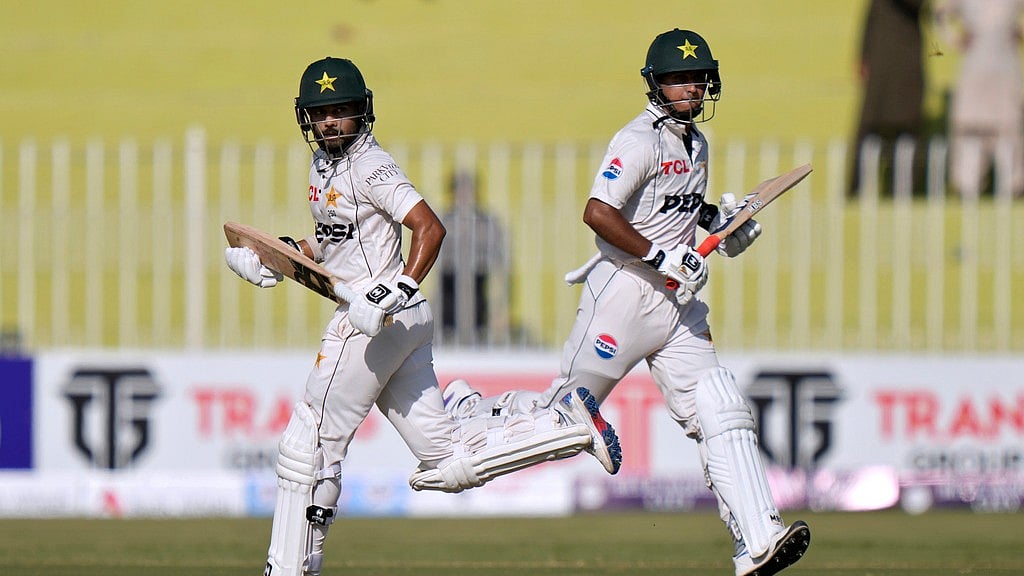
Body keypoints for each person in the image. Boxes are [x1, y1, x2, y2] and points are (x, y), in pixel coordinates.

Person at [224, 56, 622, 576]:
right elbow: (331, 248)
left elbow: (429, 228)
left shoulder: (371, 165)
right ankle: (562, 422)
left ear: (361, 112)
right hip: (398, 321)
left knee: (310, 441)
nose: (329, 122)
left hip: (377, 319)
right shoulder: (322, 166)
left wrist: (394, 288)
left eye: (340, 111)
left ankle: (291, 568)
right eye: (320, 113)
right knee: (447, 459)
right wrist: (274, 257)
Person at [443, 30, 810, 576]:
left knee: (720, 406)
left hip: (676, 306)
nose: (690, 87)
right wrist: (663, 255)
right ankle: (469, 412)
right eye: (678, 78)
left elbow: (676, 211)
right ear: (655, 84)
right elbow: (598, 212)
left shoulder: (697, 144)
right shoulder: (637, 139)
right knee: (564, 423)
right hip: (622, 294)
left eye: (697, 78)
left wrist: (718, 226)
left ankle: (756, 543)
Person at [935, 0, 1024, 197]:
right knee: (969, 128)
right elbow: (939, 13)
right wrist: (954, 39)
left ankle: (1012, 186)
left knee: (1007, 128)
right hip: (974, 67)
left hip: (1005, 67)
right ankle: (967, 184)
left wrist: (1019, 31)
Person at [850, 0, 927, 196]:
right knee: (868, 129)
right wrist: (864, 54)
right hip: (881, 65)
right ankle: (855, 189)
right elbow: (870, 20)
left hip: (905, 64)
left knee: (908, 130)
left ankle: (907, 189)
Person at [438, 171, 509, 345]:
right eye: (460, 190)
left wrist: (500, 308)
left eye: (468, 190)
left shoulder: (487, 223)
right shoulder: (444, 221)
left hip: (478, 289)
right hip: (449, 289)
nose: (464, 196)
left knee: (479, 338)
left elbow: (502, 265)